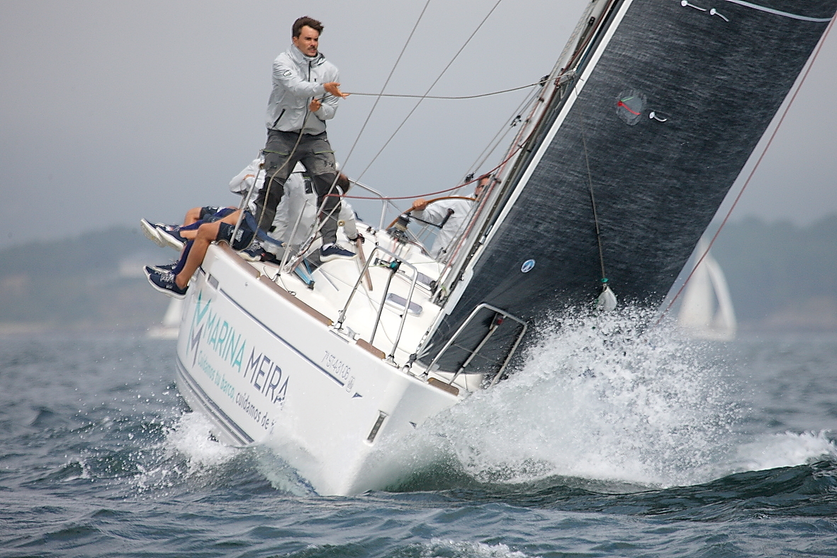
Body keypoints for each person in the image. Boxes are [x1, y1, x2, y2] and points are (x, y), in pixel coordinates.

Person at [254, 16, 353, 262]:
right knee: (273, 186)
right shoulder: (282, 62)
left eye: (316, 40)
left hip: (315, 137)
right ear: (295, 39)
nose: (312, 44)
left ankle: (329, 243)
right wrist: (323, 89)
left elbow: (331, 111)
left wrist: (319, 108)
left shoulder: (330, 70)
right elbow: (296, 87)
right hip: (282, 135)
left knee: (330, 185)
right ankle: (255, 241)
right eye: (308, 39)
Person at [143, 208, 257, 298]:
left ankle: (179, 282)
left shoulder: (273, 185)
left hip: (257, 244)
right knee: (223, 216)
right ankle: (180, 250)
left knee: (205, 231)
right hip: (258, 232)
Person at [408, 174, 489, 260]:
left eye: (490, 188)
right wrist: (419, 209)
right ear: (476, 189)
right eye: (483, 187)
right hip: (439, 262)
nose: (486, 191)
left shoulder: (496, 214)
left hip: (470, 269)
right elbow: (425, 218)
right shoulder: (458, 202)